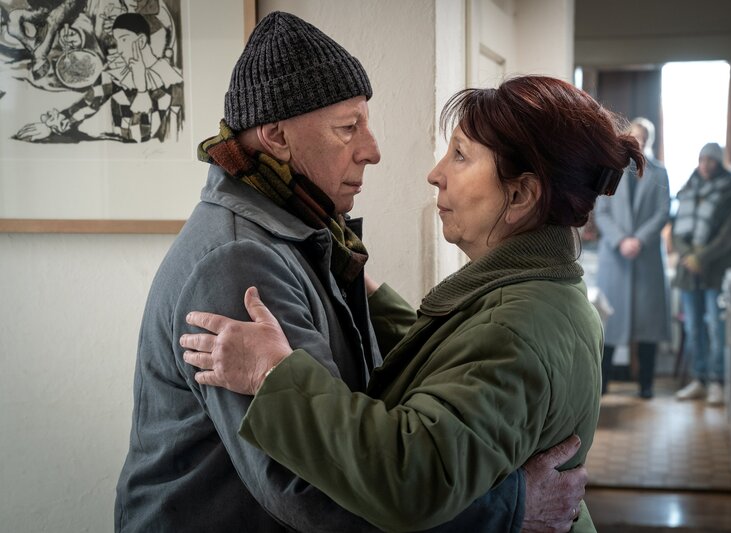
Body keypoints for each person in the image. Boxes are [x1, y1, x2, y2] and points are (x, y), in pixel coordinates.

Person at [114, 12, 589, 533]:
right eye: (348, 128)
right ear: (276, 137)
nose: (373, 150)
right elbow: (311, 489)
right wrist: (511, 508)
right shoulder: (240, 265)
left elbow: (417, 379)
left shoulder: (307, 236)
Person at [179, 74, 646, 532]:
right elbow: (459, 361)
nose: (435, 174)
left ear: (521, 195)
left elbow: (410, 476)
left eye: (460, 155)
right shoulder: (547, 292)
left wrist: (271, 374)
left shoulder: (515, 327)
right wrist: (368, 293)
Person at [15, 12, 182, 143]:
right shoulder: (118, 72)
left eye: (124, 40)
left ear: (141, 41)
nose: (119, 49)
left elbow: (139, 136)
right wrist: (52, 127)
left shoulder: (168, 79)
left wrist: (142, 89)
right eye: (117, 41)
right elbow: (90, 101)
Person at [594, 117, 671, 399]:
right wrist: (621, 240)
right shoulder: (612, 168)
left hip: (646, 257)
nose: (639, 142)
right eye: (635, 136)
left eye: (644, 137)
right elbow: (601, 213)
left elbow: (663, 212)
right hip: (615, 258)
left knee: (648, 326)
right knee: (609, 323)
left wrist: (638, 240)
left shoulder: (659, 172)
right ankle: (602, 385)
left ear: (650, 140)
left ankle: (646, 384)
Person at [672, 142, 731, 405]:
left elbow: (729, 236)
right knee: (693, 327)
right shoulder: (688, 189)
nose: (705, 165)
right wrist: (687, 255)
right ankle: (699, 379)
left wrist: (700, 257)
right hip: (689, 271)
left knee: (717, 327)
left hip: (716, 269)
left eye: (711, 160)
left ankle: (718, 381)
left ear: (719, 163)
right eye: (702, 159)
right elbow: (677, 229)